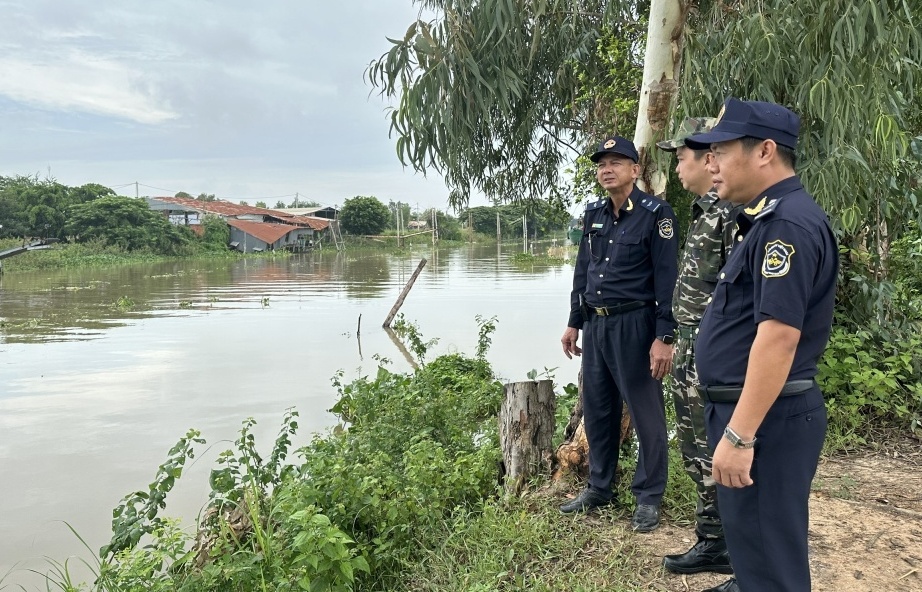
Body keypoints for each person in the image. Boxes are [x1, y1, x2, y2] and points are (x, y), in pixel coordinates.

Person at [684, 98, 838, 592]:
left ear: (765, 151)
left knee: (772, 566)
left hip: (765, 423)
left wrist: (739, 436)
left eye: (721, 152)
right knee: (756, 555)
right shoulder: (767, 219)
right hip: (755, 416)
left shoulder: (785, 226)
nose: (711, 163)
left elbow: (778, 338)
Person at [559, 135, 678, 533]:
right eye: (601, 164)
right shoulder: (593, 214)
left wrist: (665, 336)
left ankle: (647, 497)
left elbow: (667, 280)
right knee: (598, 409)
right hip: (596, 325)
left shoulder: (655, 214)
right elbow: (582, 273)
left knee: (646, 414)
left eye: (615, 162)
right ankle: (599, 487)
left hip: (636, 324)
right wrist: (574, 321)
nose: (606, 169)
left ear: (635, 170)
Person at [655, 117, 739, 576]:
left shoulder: (729, 215)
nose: (677, 169)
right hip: (689, 348)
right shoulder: (705, 212)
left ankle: (734, 544)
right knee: (695, 450)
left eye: (681, 158)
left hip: (711, 352)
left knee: (715, 450)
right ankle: (713, 540)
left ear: (709, 159)